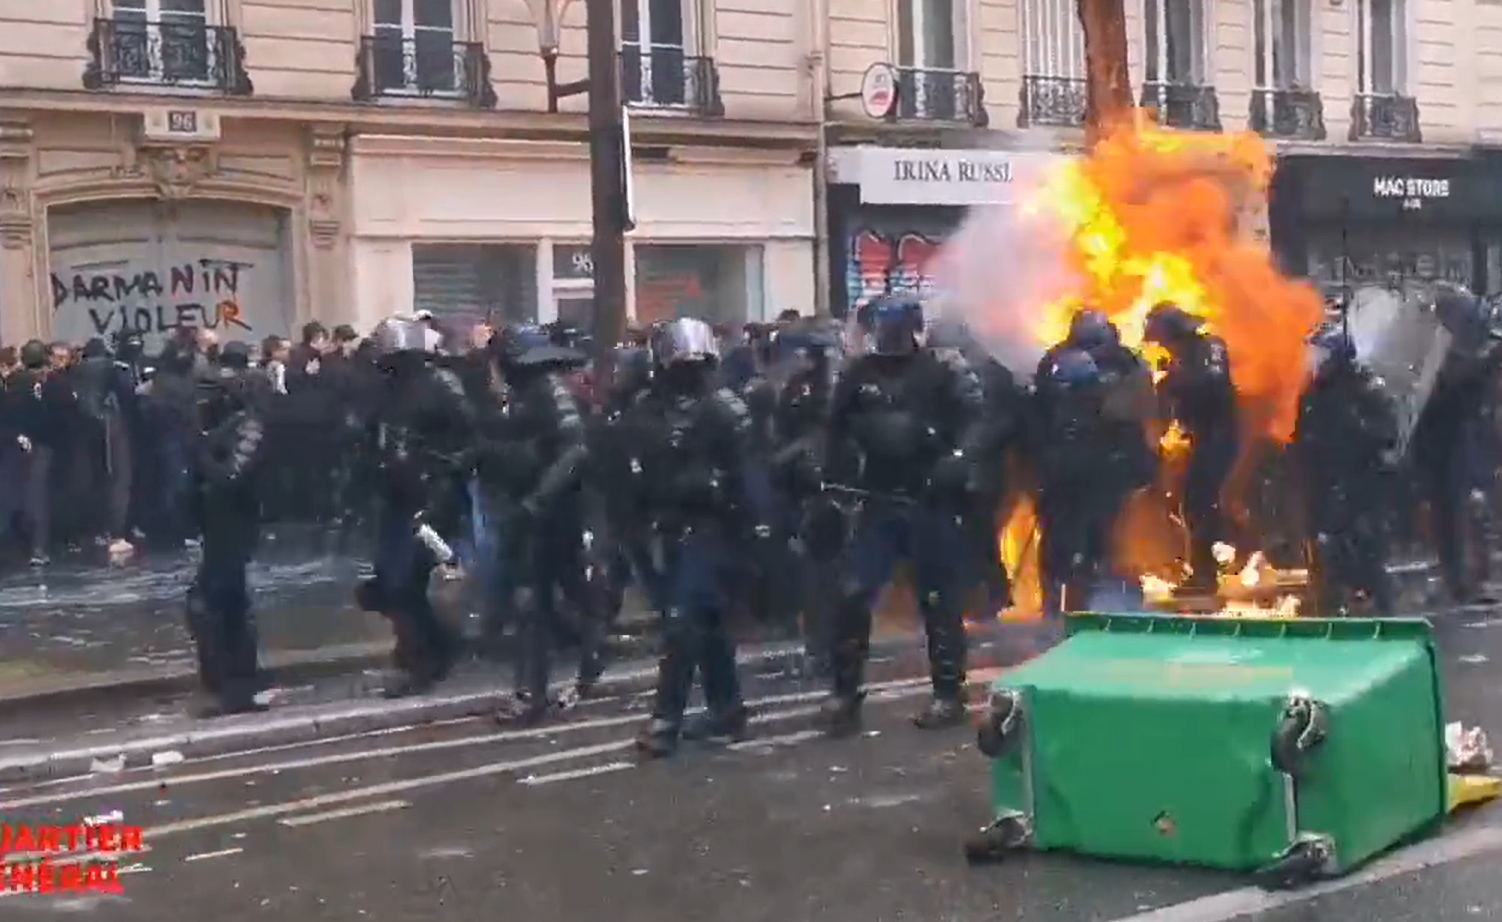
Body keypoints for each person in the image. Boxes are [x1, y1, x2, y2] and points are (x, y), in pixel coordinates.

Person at [820, 297, 987, 735]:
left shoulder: (943, 369)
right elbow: (834, 427)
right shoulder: (857, 373)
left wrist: (958, 458)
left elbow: (976, 421)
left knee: (938, 600)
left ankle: (949, 693)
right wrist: (829, 477)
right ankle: (844, 692)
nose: (889, 339)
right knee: (853, 593)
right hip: (877, 497)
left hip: (930, 498)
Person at [634, 317, 767, 758]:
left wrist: (742, 517)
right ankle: (727, 709)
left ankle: (666, 719)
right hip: (671, 527)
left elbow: (749, 476)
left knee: (684, 622)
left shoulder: (726, 407)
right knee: (706, 625)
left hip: (714, 529)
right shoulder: (650, 408)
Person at [484, 323, 603, 723]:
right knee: (561, 595)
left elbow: (575, 452)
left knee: (534, 601)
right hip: (537, 508)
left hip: (554, 511)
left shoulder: (550, 391)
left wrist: (536, 502)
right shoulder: (526, 395)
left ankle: (533, 692)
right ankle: (591, 657)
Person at [356, 315, 471, 697]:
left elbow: (471, 436)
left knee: (407, 579)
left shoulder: (442, 384)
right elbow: (380, 435)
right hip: (396, 494)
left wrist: (446, 471)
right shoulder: (388, 390)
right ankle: (424, 649)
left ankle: (424, 658)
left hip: (432, 495)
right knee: (388, 581)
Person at [1292, 322, 1397, 615]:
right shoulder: (1313, 393)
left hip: (1359, 482)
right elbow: (1302, 436)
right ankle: (1327, 603)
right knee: (1321, 546)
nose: (1314, 361)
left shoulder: (1366, 389)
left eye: (1320, 355)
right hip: (1323, 481)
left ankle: (1381, 608)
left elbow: (1387, 433)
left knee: (1365, 548)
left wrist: (1355, 428)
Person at [186, 360, 271, 716]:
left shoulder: (248, 425)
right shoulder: (221, 427)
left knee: (212, 605)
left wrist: (201, 456)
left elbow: (232, 476)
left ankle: (233, 684)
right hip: (219, 526)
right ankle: (234, 684)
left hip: (236, 526)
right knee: (226, 604)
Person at [1142, 302, 1238, 595]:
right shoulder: (1194, 355)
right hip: (1207, 438)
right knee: (1197, 505)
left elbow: (1212, 386)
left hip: (1219, 438)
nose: (1163, 347)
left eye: (1164, 340)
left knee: (1200, 505)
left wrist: (1174, 383)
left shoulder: (1208, 353)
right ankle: (1206, 568)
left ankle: (1205, 575)